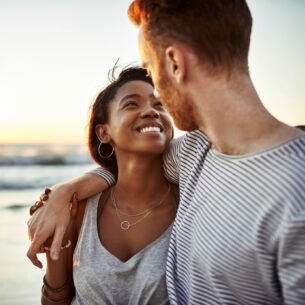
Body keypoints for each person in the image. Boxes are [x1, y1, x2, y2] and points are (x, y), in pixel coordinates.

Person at [28, 1, 305, 304]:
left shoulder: (296, 190)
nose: (155, 95)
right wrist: (62, 194)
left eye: (149, 67)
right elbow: (126, 169)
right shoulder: (192, 154)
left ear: (174, 62)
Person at [35, 66, 178, 304]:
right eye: (132, 104)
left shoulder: (189, 202)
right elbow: (56, 299)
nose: (151, 112)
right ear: (104, 132)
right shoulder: (77, 210)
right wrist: (54, 248)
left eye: (159, 105)